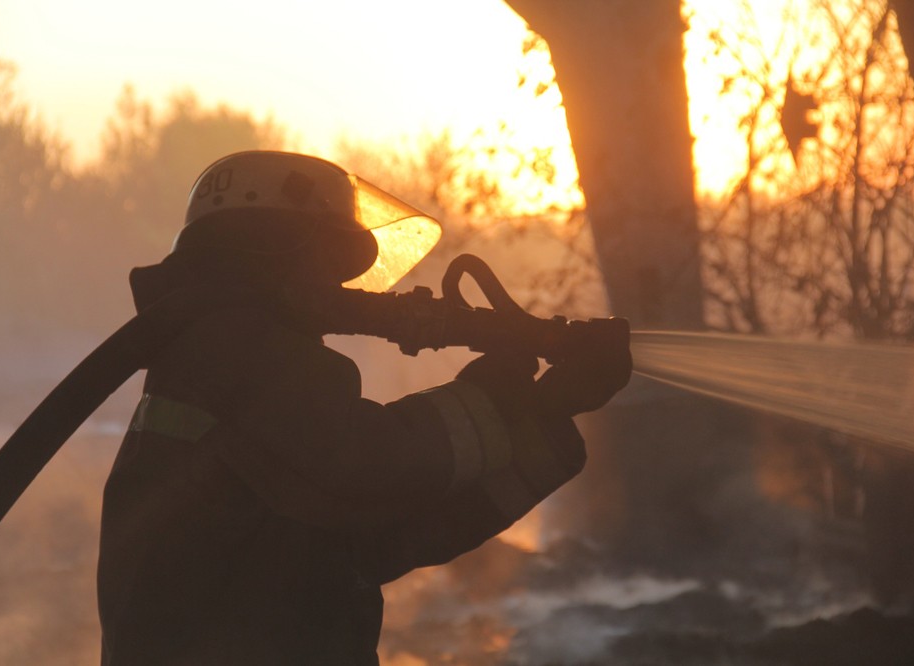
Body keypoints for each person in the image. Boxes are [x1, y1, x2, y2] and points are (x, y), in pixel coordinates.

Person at [96, 151, 631, 664]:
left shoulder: (211, 357)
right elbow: (364, 465)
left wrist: (543, 412)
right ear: (271, 249)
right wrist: (504, 395)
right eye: (330, 263)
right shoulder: (236, 350)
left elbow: (374, 539)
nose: (340, 288)